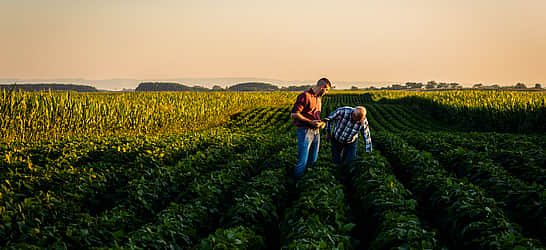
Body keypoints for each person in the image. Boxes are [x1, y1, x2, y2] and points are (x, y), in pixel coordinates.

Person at [290, 78, 331, 180]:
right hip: (305, 131)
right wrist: (309, 122)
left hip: (316, 132)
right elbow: (294, 114)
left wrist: (321, 123)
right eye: (326, 90)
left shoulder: (318, 99)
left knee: (313, 159)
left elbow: (314, 117)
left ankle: (308, 182)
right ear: (322, 87)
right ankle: (297, 184)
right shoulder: (305, 96)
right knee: (302, 161)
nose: (326, 93)